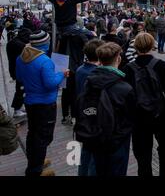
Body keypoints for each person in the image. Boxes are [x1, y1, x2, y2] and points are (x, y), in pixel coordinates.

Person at [16, 30, 68, 176]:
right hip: (45, 103)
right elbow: (51, 83)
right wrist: (62, 74)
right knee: (44, 136)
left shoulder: (21, 57)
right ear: (44, 43)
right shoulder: (45, 61)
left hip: (30, 101)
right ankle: (36, 169)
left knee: (33, 133)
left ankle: (34, 160)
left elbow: (19, 77)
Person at [124, 33, 165, 176]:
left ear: (136, 47)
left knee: (143, 153)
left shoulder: (128, 68)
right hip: (160, 114)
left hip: (139, 116)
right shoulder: (162, 65)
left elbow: (127, 96)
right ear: (152, 46)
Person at [83, 43, 135, 176]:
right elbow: (130, 117)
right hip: (117, 141)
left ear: (100, 60)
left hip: (96, 135)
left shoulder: (89, 81)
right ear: (118, 59)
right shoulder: (124, 87)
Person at [75, 39, 105, 176]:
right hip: (95, 116)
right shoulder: (97, 73)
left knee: (86, 152)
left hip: (83, 115)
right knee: (96, 157)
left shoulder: (80, 69)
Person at [6, 28, 32, 118]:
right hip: (18, 71)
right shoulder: (17, 44)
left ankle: (19, 107)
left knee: (21, 89)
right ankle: (17, 109)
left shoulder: (14, 42)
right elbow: (25, 48)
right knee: (20, 89)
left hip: (16, 69)